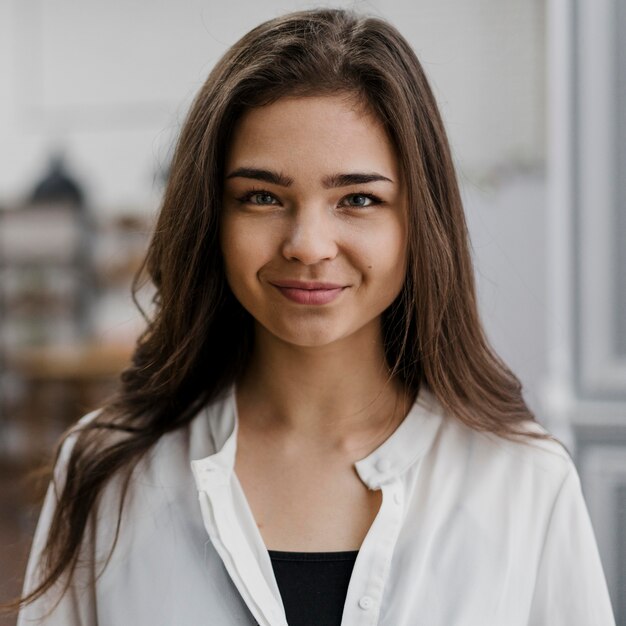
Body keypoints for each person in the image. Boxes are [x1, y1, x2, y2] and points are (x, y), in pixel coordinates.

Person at [14, 8, 614, 626]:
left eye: (358, 199)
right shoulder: (109, 472)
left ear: (418, 221)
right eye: (263, 197)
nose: (308, 243)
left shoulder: (523, 481)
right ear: (212, 218)